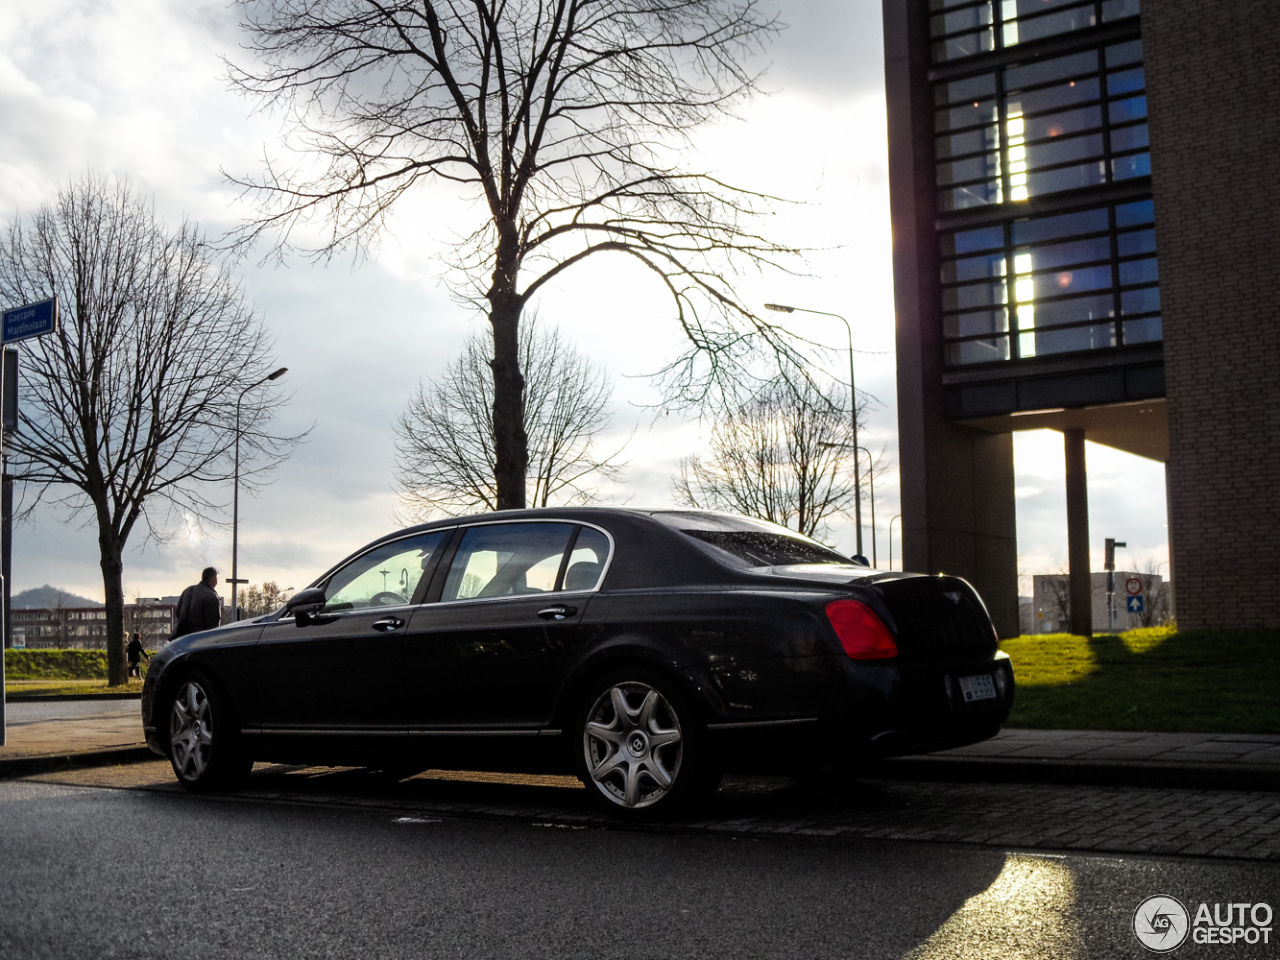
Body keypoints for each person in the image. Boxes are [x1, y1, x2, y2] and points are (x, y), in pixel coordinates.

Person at [171, 566, 222, 639]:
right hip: (200, 639)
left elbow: (178, 612)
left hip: (181, 637)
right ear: (214, 579)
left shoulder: (188, 591)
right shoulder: (212, 596)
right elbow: (214, 624)